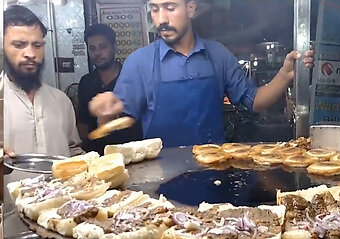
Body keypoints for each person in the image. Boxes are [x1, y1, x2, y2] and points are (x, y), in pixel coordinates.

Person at [89, 0, 314, 148]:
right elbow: (114, 122)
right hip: (159, 176)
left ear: (191, 8)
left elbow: (254, 100)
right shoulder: (139, 62)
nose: (161, 19)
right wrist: (106, 113)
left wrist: (285, 75)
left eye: (170, 7)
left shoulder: (218, 55)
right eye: (155, 9)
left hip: (213, 168)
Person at [2, 5, 83, 158]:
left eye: (37, 45)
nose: (30, 54)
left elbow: (73, 152)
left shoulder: (60, 101)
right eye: (19, 45)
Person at [77, 24, 143, 154]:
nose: (98, 53)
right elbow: (82, 124)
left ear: (114, 47)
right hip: (98, 157)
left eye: (103, 47)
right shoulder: (86, 82)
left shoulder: (131, 78)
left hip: (131, 155)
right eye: (92, 48)